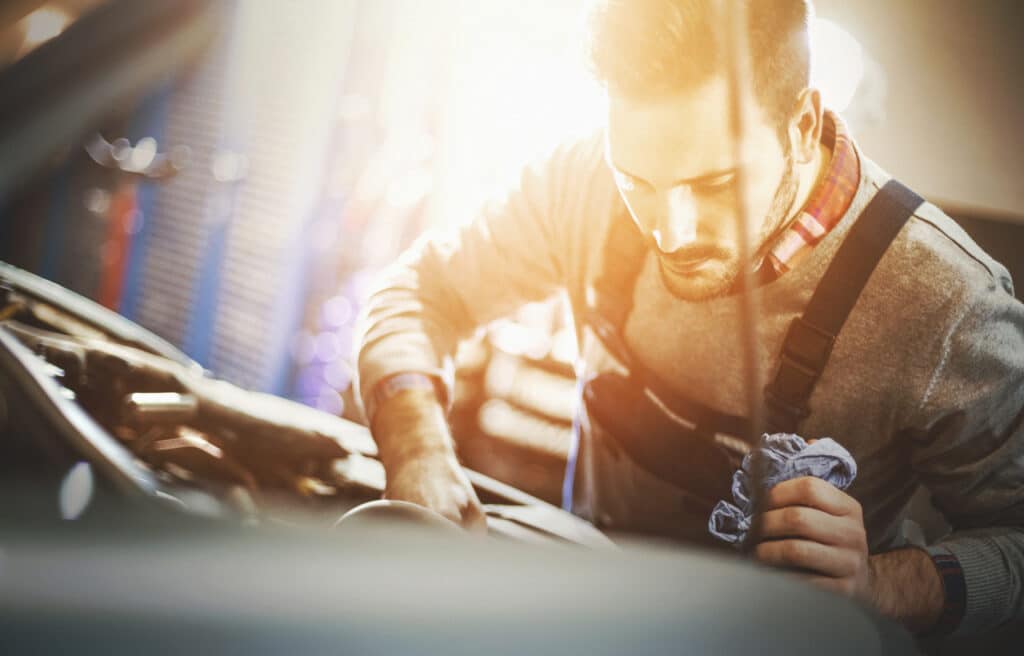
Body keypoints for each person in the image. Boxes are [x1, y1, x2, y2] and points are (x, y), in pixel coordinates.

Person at [353, 0, 1024, 639]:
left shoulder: (947, 304)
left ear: (801, 123)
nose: (671, 232)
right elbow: (421, 289)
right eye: (638, 182)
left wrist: (879, 585)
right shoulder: (583, 179)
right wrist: (418, 450)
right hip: (588, 602)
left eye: (715, 185)